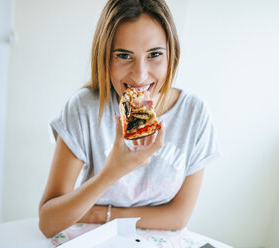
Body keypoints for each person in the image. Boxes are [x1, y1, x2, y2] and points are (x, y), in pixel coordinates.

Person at [38, 0, 221, 239]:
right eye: (124, 56)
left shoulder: (195, 115)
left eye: (154, 54)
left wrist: (99, 214)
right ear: (105, 58)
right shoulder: (84, 108)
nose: (140, 75)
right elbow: (49, 222)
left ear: (172, 55)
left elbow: (178, 217)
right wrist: (111, 173)